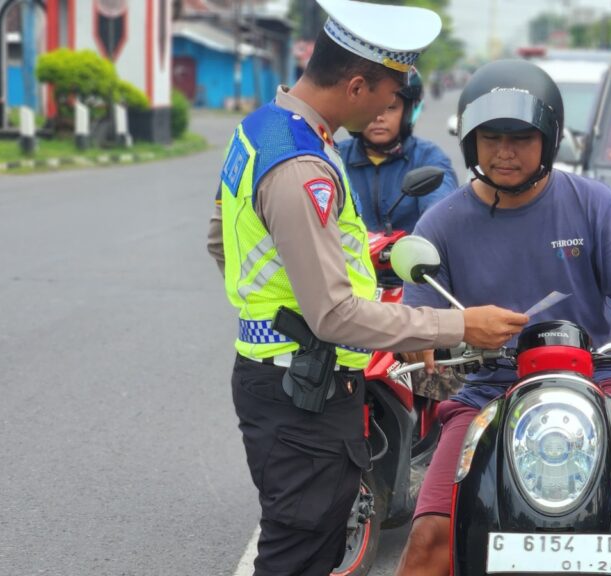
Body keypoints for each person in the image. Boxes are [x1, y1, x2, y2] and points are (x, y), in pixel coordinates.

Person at [205, 2, 529, 574]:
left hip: (284, 374)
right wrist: (458, 324)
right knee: (298, 555)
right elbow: (332, 315)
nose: (389, 108)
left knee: (312, 544)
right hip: (303, 389)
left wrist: (279, 301)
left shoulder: (263, 130)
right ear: (356, 84)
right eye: (387, 94)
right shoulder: (301, 165)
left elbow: (221, 242)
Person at [392, 59, 611, 576]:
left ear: (550, 140)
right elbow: (416, 324)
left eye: (521, 137)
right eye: (490, 138)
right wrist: (434, 340)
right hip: (487, 387)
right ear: (471, 144)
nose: (505, 152)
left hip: (601, 380)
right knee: (431, 538)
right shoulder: (441, 222)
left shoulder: (595, 205)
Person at [337, 69, 458, 233]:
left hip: (410, 256)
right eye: (370, 106)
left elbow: (440, 209)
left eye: (390, 107)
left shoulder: (429, 158)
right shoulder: (336, 158)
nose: (379, 117)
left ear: (409, 111)